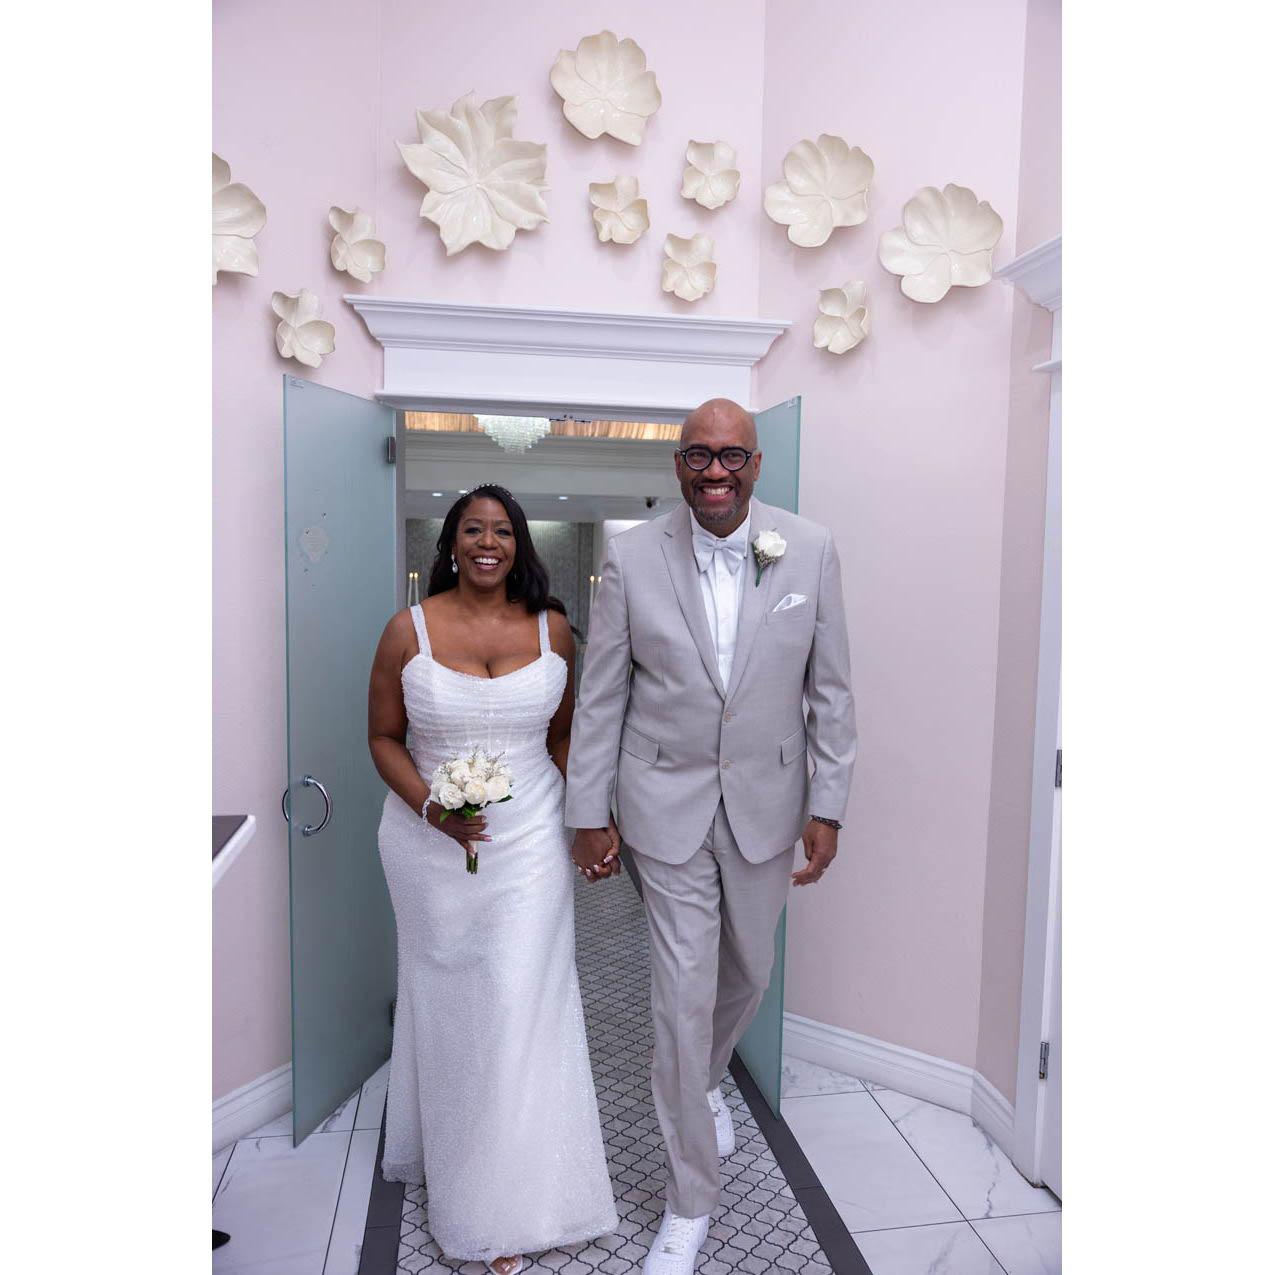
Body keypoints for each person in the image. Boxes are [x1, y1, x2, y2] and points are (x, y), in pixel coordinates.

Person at [566, 398, 857, 1275]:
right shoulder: (631, 555)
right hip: (663, 806)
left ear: (756, 463)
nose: (715, 471)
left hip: (768, 802)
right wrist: (587, 811)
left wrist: (828, 805)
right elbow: (602, 693)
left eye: (731, 455)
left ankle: (698, 1079)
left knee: (749, 972)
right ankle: (688, 1201)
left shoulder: (808, 547)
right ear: (678, 465)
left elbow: (831, 691)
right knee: (680, 998)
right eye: (698, 456)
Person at [367, 485, 618, 1275]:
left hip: (532, 839)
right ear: (450, 542)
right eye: (472, 528)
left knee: (519, 1001)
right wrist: (432, 808)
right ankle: (460, 1168)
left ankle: (509, 1198)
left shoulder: (551, 628)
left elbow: (563, 735)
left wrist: (592, 818)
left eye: (501, 530)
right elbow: (382, 736)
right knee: (454, 1006)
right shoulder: (406, 629)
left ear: (518, 545)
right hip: (430, 844)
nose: (487, 542)